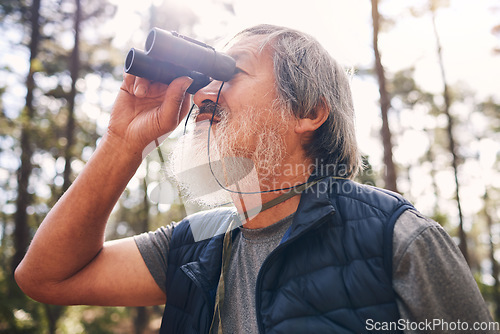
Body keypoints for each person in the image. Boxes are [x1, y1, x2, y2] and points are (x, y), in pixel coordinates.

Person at [15, 24, 496, 334]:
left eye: (228, 72)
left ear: (308, 110)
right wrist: (123, 142)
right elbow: (47, 277)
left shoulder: (397, 237)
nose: (203, 88)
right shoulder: (195, 244)